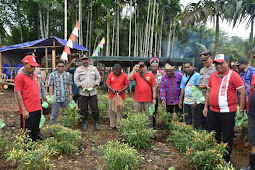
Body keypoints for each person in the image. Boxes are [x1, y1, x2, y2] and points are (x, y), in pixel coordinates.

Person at [203, 54, 246, 163]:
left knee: (227, 136)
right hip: (213, 111)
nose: (218, 66)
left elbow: (243, 93)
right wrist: (205, 107)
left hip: (227, 112)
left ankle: (226, 160)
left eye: (221, 63)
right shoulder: (213, 76)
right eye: (216, 63)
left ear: (227, 63)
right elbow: (208, 92)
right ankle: (214, 156)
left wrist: (241, 110)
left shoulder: (234, 75)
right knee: (213, 134)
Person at [14, 55, 42, 141]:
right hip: (28, 110)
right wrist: (24, 110)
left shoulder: (35, 76)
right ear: (25, 64)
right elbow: (18, 94)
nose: (33, 68)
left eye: (34, 66)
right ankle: (27, 150)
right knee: (27, 132)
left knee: (35, 130)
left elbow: (37, 92)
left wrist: (40, 106)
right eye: (31, 66)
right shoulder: (19, 77)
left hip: (36, 108)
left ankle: (32, 148)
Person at [74, 55, 101, 131]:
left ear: (88, 60)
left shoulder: (94, 68)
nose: (85, 61)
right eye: (83, 60)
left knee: (95, 108)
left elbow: (98, 78)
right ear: (81, 61)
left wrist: (94, 85)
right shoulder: (78, 69)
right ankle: (84, 122)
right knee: (83, 108)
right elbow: (76, 80)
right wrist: (81, 87)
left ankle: (96, 122)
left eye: (86, 60)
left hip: (93, 92)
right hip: (83, 93)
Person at [127, 62, 156, 126]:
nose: (141, 68)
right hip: (138, 98)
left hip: (148, 99)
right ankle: (137, 128)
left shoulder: (150, 75)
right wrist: (134, 69)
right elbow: (128, 78)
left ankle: (149, 129)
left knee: (149, 115)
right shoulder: (136, 75)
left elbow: (154, 87)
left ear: (145, 67)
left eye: (143, 67)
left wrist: (154, 98)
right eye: (140, 67)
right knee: (136, 114)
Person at [196, 50, 216, 129]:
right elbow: (198, 85)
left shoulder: (215, 69)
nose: (204, 62)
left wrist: (206, 86)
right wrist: (197, 100)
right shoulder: (202, 70)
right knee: (201, 121)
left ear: (211, 58)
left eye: (206, 60)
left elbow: (217, 84)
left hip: (211, 100)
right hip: (201, 100)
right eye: (202, 60)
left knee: (210, 122)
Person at [48, 60, 73, 125]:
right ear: (56, 67)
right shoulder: (52, 75)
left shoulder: (67, 75)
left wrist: (70, 94)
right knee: (54, 114)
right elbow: (51, 85)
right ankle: (52, 129)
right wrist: (51, 96)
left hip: (65, 97)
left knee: (66, 114)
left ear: (64, 67)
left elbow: (70, 84)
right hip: (56, 98)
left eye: (62, 66)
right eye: (59, 66)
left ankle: (66, 127)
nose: (60, 68)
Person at [106, 64, 129, 130]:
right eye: (115, 70)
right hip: (112, 96)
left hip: (121, 96)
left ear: (120, 70)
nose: (116, 72)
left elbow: (127, 85)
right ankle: (112, 125)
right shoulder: (111, 75)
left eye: (117, 71)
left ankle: (118, 126)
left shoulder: (124, 75)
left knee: (120, 111)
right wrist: (112, 89)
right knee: (112, 110)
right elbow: (107, 84)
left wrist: (121, 90)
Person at [178, 61, 200, 126]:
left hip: (194, 102)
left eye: (188, 67)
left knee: (196, 119)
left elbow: (198, 88)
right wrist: (180, 100)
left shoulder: (197, 75)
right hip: (186, 102)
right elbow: (182, 88)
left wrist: (196, 101)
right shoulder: (184, 76)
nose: (187, 69)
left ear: (192, 67)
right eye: (185, 67)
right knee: (187, 119)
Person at [241, 74, 255, 170]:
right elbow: (250, 91)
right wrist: (248, 107)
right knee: (253, 139)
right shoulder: (254, 75)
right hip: (253, 112)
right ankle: (252, 166)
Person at [149, 54, 163, 129]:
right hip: (148, 96)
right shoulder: (147, 74)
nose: (154, 67)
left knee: (154, 111)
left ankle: (154, 125)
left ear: (158, 67)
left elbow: (162, 85)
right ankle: (148, 125)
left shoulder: (160, 75)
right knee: (148, 111)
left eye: (156, 66)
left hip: (156, 96)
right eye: (153, 66)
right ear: (151, 67)